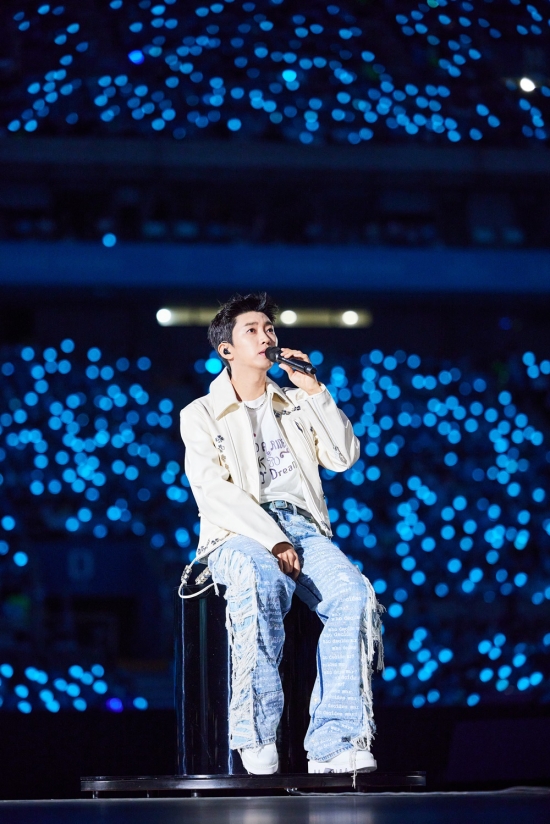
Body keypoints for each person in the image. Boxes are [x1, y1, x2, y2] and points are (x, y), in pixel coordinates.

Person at [179, 292, 384, 776]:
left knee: (353, 595)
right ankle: (254, 733)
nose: (266, 336)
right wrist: (272, 539)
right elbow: (213, 492)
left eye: (269, 328)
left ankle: (334, 742)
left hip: (305, 529)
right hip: (238, 531)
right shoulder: (200, 413)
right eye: (252, 330)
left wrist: (314, 391)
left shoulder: (294, 402)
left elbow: (343, 456)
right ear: (226, 349)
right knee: (261, 581)